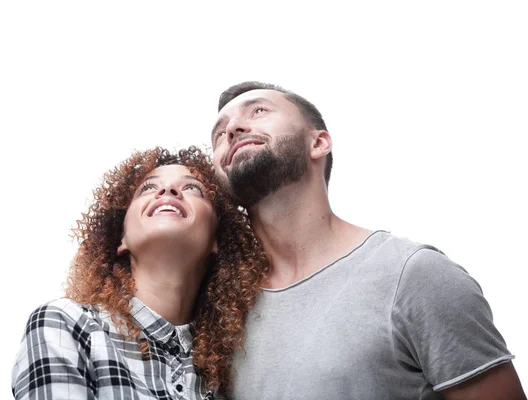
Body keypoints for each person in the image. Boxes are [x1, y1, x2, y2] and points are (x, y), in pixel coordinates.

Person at [210, 82, 526, 399]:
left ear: (318, 143)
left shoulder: (415, 276)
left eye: (259, 110)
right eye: (219, 135)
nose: (233, 129)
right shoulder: (219, 310)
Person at [11, 147, 269, 399]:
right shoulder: (66, 324)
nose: (167, 190)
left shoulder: (229, 373)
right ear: (121, 238)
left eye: (193, 188)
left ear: (217, 240)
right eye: (148, 188)